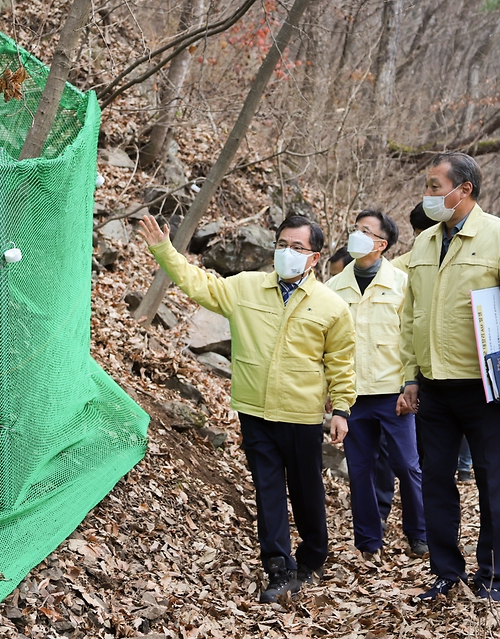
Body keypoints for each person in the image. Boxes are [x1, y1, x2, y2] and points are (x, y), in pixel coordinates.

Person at [138, 213, 356, 603]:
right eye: (282, 244)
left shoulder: (331, 307)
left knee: (306, 490)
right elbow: (197, 283)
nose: (287, 252)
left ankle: (311, 557)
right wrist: (164, 249)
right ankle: (277, 565)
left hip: (301, 414)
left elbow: (340, 361)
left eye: (297, 247)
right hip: (255, 410)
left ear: (315, 258)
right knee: (267, 488)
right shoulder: (247, 287)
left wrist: (341, 407)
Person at [397, 152, 500, 602]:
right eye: (427, 186)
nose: (428, 194)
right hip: (434, 388)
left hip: (487, 387)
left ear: (465, 191)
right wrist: (410, 376)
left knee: (491, 481)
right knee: (437, 482)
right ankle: (445, 572)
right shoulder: (422, 245)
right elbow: (411, 317)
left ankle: (493, 576)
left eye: (435, 186)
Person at [326, 209, 428, 560]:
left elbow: (412, 338)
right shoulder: (334, 287)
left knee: (407, 466)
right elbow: (326, 343)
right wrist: (331, 392)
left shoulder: (401, 284)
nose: (356, 235)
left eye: (364, 231)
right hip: (353, 397)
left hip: (392, 393)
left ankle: (419, 535)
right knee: (359, 470)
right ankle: (369, 541)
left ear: (382, 244)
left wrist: (410, 385)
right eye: (355, 229)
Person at [374, 203, 438, 519]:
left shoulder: (460, 266)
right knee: (392, 451)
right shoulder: (396, 270)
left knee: (431, 447)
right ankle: (382, 511)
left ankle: (426, 516)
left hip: (444, 372)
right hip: (400, 372)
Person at [391, 202, 439, 274]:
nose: (426, 240)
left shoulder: (457, 265)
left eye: (431, 235)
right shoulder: (397, 267)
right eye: (420, 234)